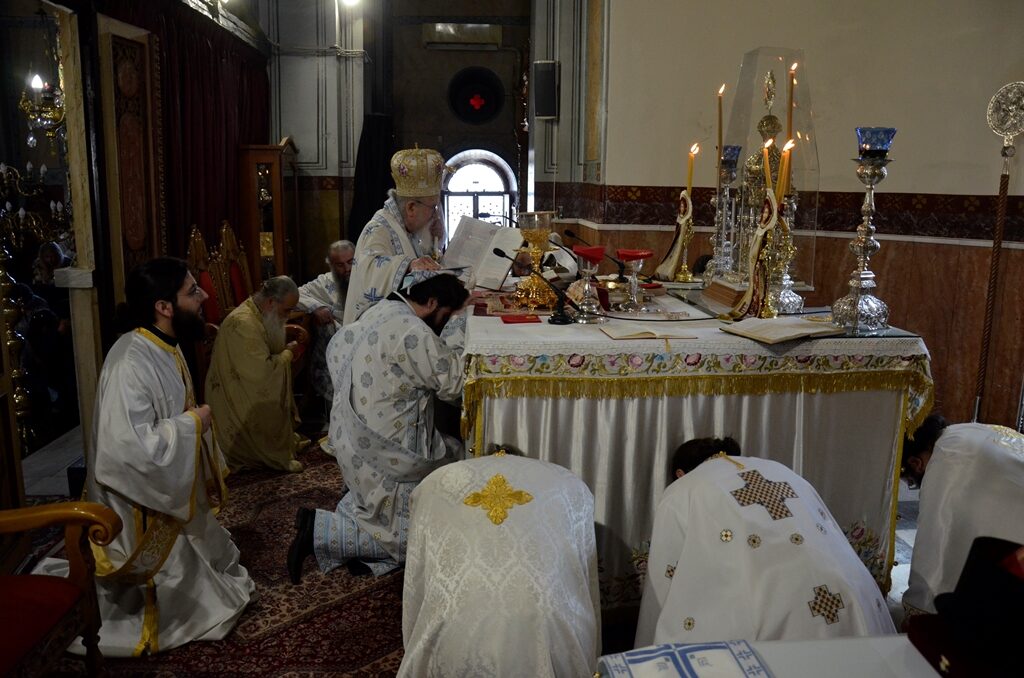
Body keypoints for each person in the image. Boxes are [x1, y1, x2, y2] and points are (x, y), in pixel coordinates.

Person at [36, 257, 253, 656]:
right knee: (210, 602)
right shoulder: (130, 363)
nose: (204, 294)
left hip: (160, 490)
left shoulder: (164, 345)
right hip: (136, 506)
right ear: (163, 306)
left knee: (221, 567)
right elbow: (127, 451)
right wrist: (193, 423)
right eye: (192, 291)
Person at [288, 272, 470, 582]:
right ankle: (320, 531)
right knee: (423, 538)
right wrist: (459, 332)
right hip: (387, 452)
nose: (443, 324)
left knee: (448, 456)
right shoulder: (411, 330)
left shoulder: (381, 310)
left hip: (350, 443)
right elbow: (455, 384)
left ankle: (362, 536)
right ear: (431, 303)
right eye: (445, 317)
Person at [635, 436, 894, 647]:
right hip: (844, 591)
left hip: (766, 611)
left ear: (680, 473)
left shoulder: (684, 489)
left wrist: (649, 647)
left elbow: (667, 573)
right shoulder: (780, 470)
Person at [398, 451, 600, 677]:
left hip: (448, 626)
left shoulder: (434, 486)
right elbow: (583, 575)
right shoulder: (570, 486)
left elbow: (416, 581)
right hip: (549, 623)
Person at [902, 414, 1024, 617]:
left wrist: (918, 608)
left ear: (916, 464)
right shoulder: (968, 430)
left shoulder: (944, 460)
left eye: (911, 481)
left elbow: (935, 542)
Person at [205, 275, 307, 473]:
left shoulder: (257, 311)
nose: (287, 316)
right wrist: (289, 352)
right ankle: (270, 451)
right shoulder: (243, 323)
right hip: (237, 397)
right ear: (270, 302)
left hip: (244, 385)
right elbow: (262, 373)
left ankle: (282, 441)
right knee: (267, 386)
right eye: (286, 311)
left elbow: (265, 334)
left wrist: (287, 333)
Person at [343, 146, 447, 325]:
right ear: (411, 208)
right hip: (372, 333)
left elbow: (421, 268)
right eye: (433, 208)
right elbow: (369, 273)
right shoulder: (378, 229)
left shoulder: (406, 230)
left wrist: (434, 244)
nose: (436, 215)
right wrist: (408, 264)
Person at [296, 240, 354, 401]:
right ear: (331, 265)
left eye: (350, 262)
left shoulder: (370, 276)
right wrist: (316, 307)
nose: (347, 269)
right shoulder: (325, 282)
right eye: (340, 265)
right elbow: (295, 295)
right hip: (340, 342)